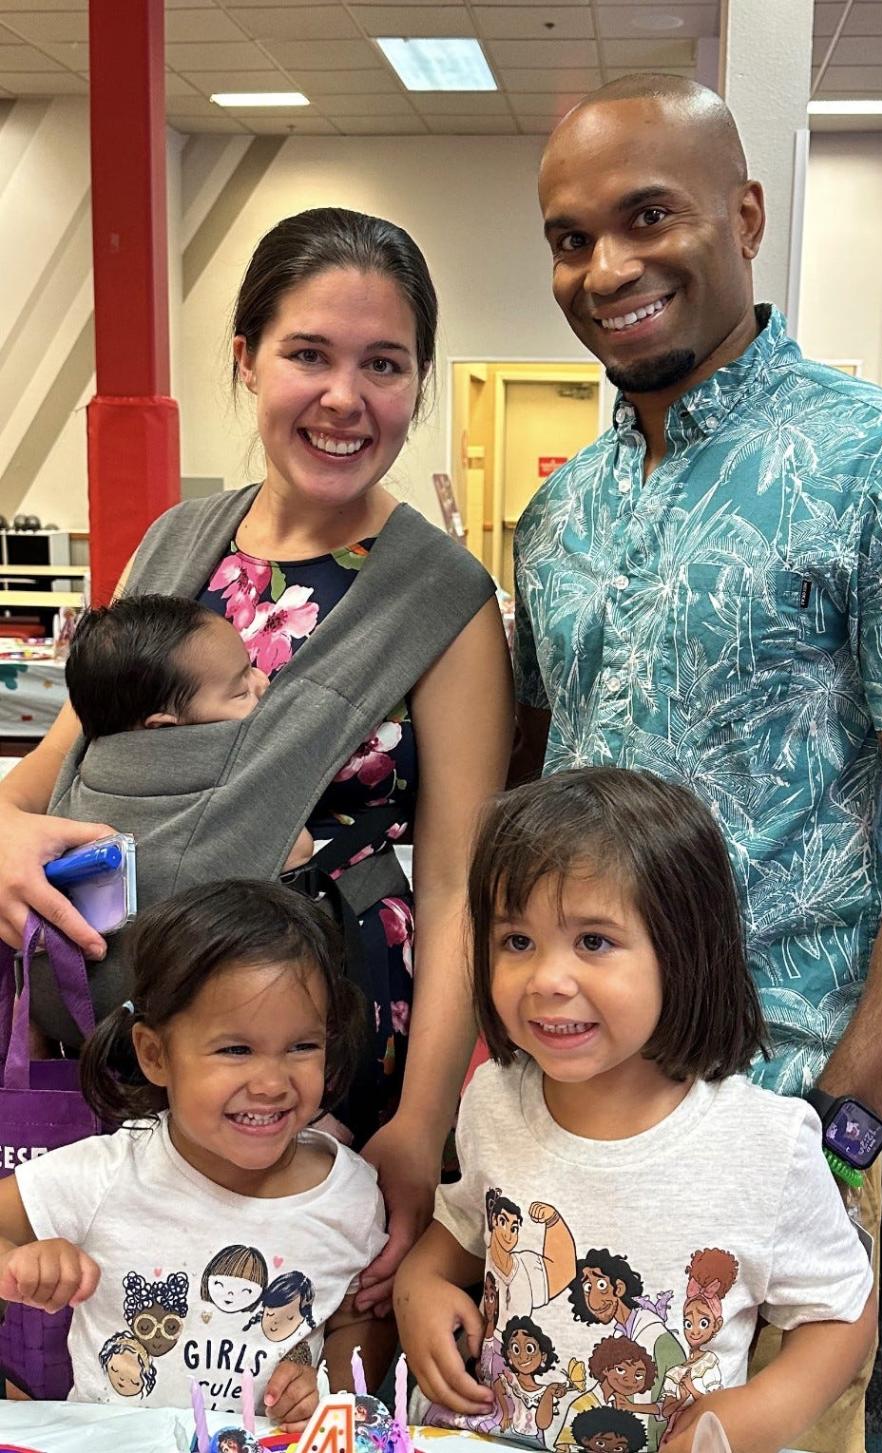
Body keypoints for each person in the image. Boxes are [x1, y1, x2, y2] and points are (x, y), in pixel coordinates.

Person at [514, 73, 882, 1449]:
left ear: (746, 215)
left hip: (779, 1117)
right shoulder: (557, 512)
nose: (609, 268)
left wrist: (846, 1122)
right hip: (568, 1125)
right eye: (572, 237)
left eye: (650, 216)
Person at [0, 206, 515, 1311]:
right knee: (124, 1327)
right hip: (135, 1039)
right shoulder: (175, 547)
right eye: (309, 355)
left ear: (419, 383)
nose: (346, 398)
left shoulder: (444, 605)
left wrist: (422, 1126)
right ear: (246, 359)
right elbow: (53, 769)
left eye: (385, 364)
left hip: (317, 1055)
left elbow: (464, 885)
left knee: (289, 1340)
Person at [395, 768, 876, 1453]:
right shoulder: (494, 1099)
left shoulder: (766, 1144)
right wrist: (420, 1283)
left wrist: (752, 1417)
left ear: (681, 950)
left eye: (593, 940)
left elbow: (843, 1311)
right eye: (516, 941)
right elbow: (464, 1230)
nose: (547, 980)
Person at [0, 879, 394, 1432]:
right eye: (236, 1050)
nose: (271, 1083)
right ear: (155, 1055)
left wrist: (329, 1386)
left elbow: (359, 1318)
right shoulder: (111, 1170)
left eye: (302, 1046)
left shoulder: (351, 1194)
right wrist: (16, 1266)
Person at [63, 592, 314, 870]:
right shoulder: (214, 764)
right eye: (241, 691)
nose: (262, 680)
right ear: (164, 726)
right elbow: (297, 850)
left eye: (250, 667)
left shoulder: (87, 763)